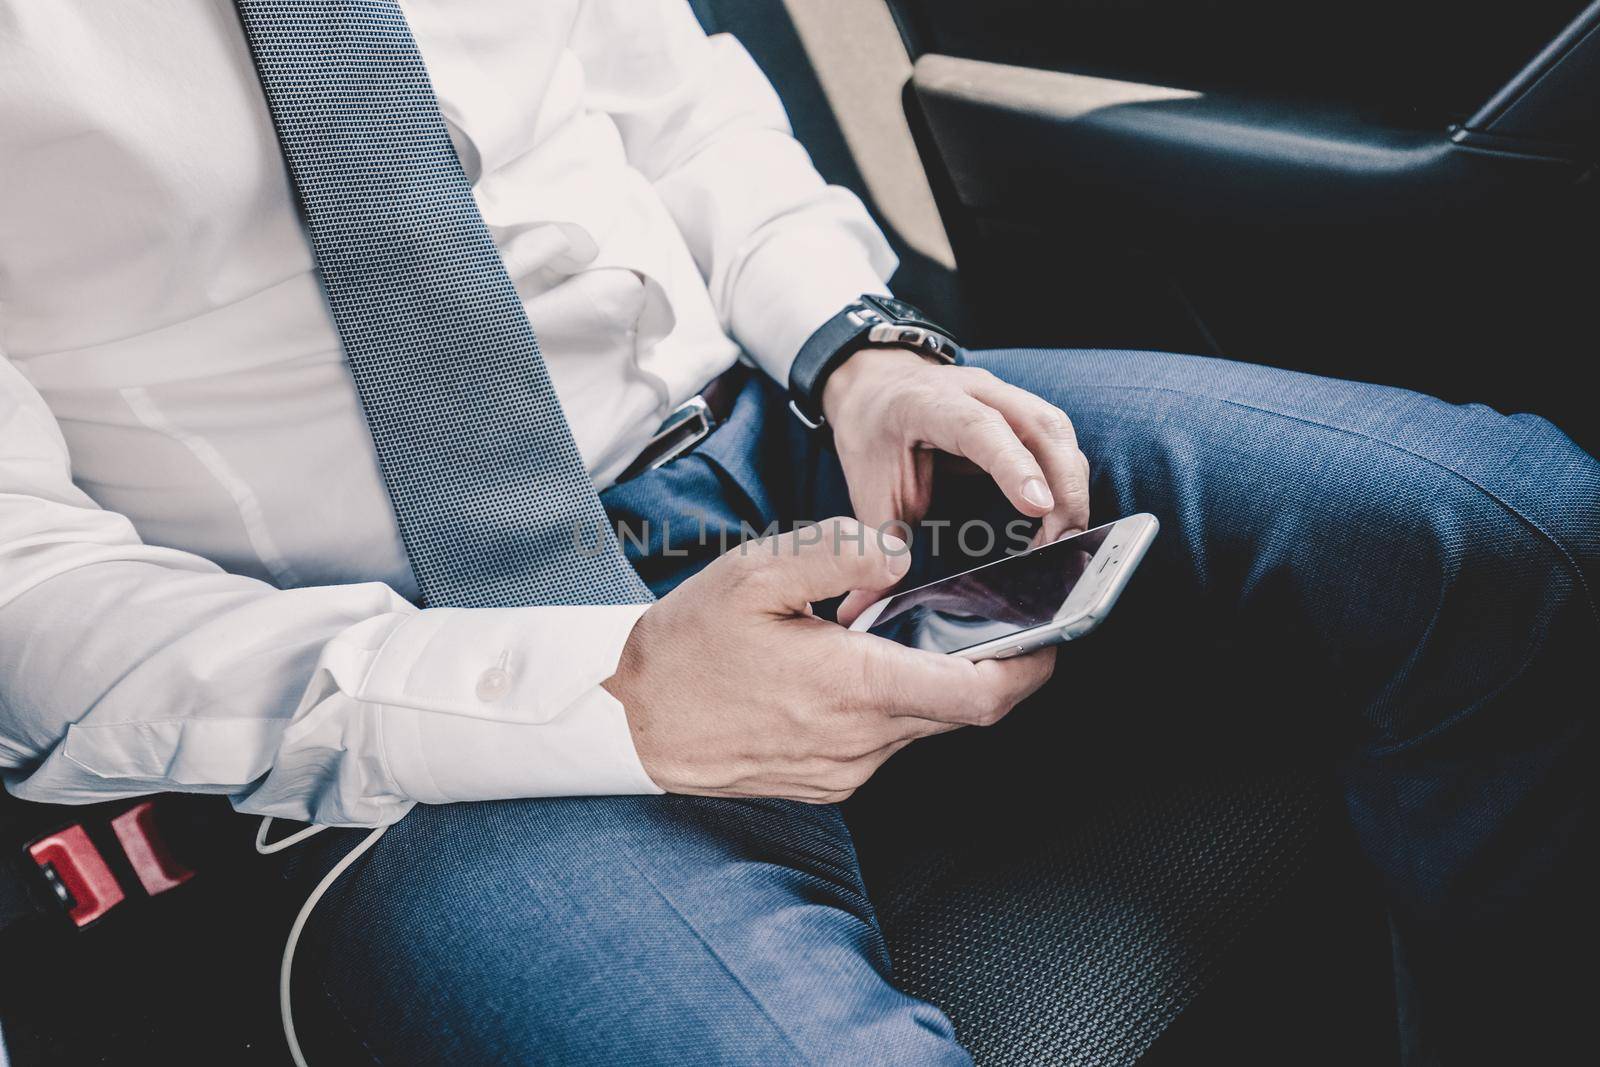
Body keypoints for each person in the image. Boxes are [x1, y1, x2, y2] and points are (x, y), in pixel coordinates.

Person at [0, 2, 1592, 1063]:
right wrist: (617, 690)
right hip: (405, 704)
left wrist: (857, 345)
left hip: (774, 447)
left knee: (1516, 532)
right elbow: (27, 602)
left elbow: (671, 101)